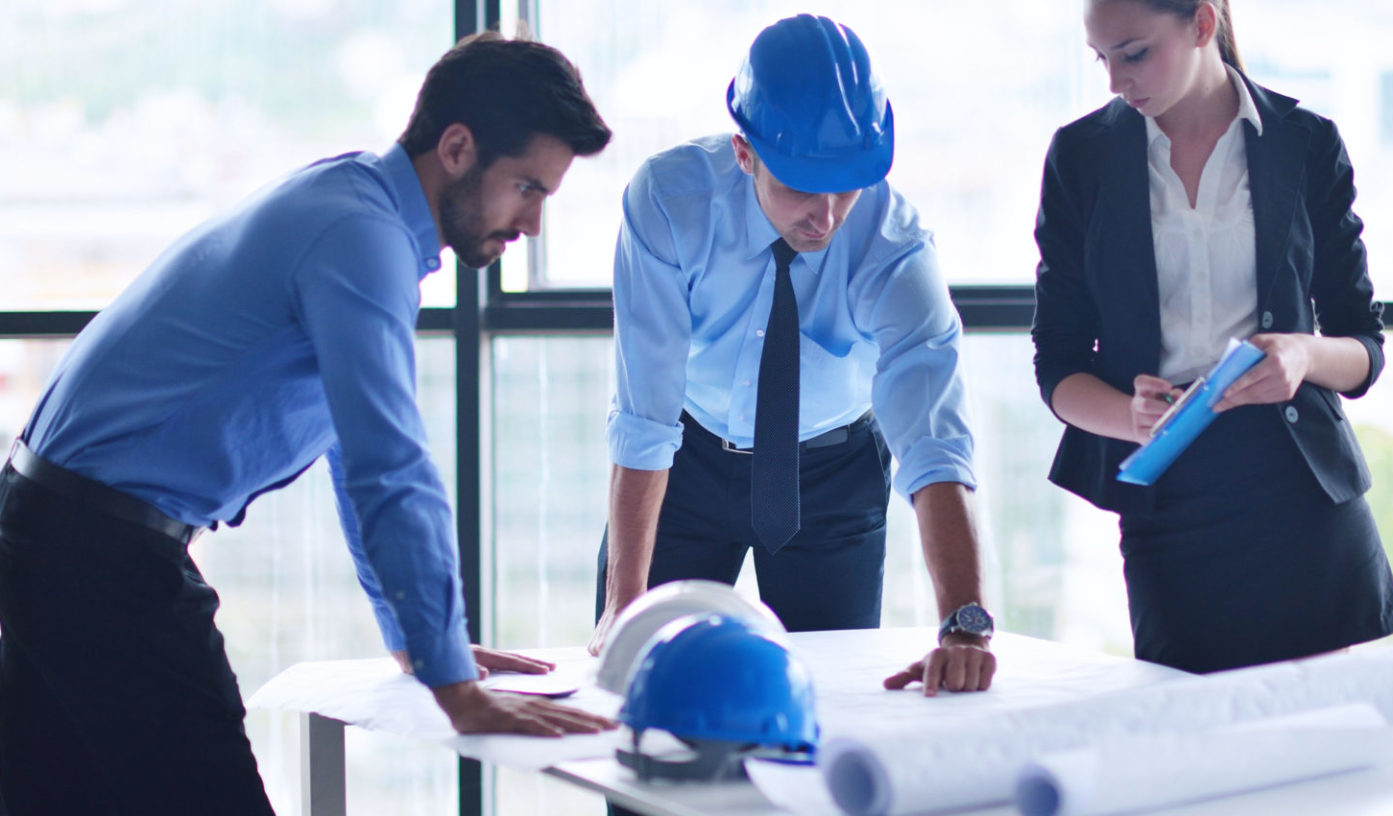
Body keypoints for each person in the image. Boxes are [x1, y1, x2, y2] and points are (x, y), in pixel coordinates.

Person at [0, 32, 618, 816]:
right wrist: (457, 690)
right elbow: (391, 469)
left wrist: (418, 643)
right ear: (458, 148)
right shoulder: (360, 237)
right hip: (96, 553)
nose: (532, 223)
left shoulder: (353, 205)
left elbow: (352, 463)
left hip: (53, 527)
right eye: (526, 187)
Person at [592, 14, 997, 697]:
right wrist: (624, 606)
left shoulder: (894, 248)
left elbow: (935, 445)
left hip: (832, 474)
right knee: (642, 686)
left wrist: (965, 625)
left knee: (830, 705)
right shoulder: (670, 202)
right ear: (744, 153)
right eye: (802, 186)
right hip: (685, 465)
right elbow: (645, 415)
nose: (827, 215)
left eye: (847, 184)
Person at [1031, 0, 1393, 674]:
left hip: (1299, 488)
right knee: (1188, 719)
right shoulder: (1081, 157)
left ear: (1202, 24)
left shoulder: (1305, 142)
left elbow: (1364, 349)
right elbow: (1057, 363)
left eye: (1134, 53)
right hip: (1168, 497)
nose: (1114, 79)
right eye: (1101, 57)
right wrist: (1129, 416)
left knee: (1321, 725)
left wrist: (1301, 354)